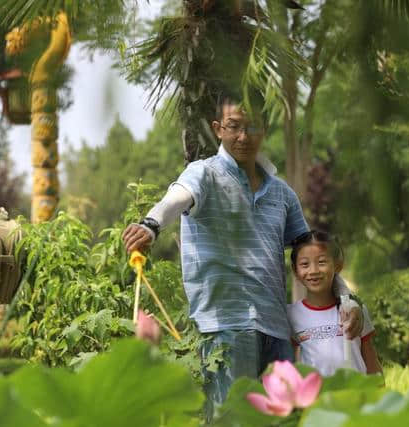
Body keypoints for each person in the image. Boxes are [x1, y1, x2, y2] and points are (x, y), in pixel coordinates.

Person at [122, 91, 363, 418]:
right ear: (218, 128)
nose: (242, 136)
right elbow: (176, 199)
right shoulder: (203, 174)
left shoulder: (282, 193)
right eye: (234, 126)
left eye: (251, 127)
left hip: (277, 331)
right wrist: (151, 224)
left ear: (264, 130)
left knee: (286, 421)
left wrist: (348, 299)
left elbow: (315, 259)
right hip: (225, 327)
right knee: (230, 421)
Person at [287, 230, 382, 376]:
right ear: (295, 270)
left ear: (338, 265)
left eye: (321, 262)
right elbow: (290, 367)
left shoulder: (355, 310)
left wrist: (380, 394)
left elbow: (370, 358)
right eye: (305, 264)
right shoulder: (292, 314)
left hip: (358, 395)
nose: (313, 271)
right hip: (318, 397)